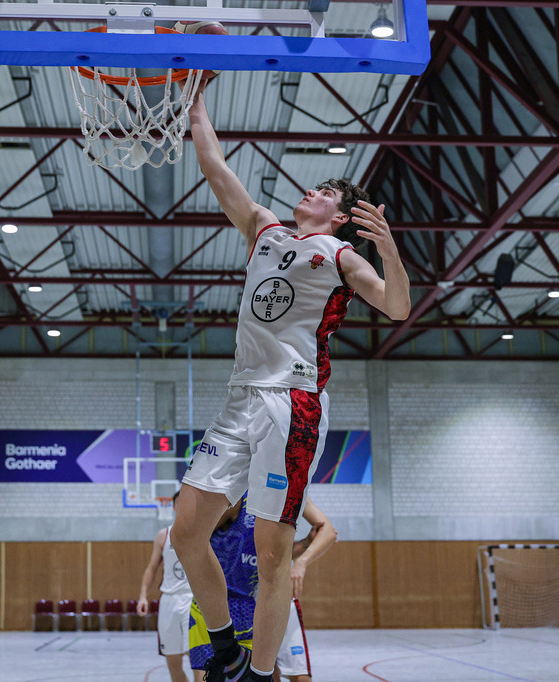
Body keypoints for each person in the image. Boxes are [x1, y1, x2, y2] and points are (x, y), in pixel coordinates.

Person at [170, 74, 411, 682]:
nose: (315, 189)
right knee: (184, 532)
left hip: (293, 405)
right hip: (240, 398)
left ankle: (260, 672)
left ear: (341, 218)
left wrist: (390, 250)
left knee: (272, 555)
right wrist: (195, 98)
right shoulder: (265, 230)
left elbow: (398, 307)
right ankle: (225, 646)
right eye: (319, 185)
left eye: (329, 190)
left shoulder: (340, 256)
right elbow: (212, 161)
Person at [187, 496, 324, 682]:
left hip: (247, 605)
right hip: (212, 603)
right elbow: (194, 534)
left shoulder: (272, 500)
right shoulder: (235, 498)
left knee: (257, 674)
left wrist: (307, 542)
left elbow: (277, 554)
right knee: (207, 676)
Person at [276, 500, 337, 682]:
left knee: (300, 676)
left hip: (280, 596)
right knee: (264, 673)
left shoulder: (292, 483)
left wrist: (302, 559)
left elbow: (328, 532)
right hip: (242, 598)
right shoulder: (235, 488)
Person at [137, 491, 192, 682]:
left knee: (197, 659)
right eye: (179, 502)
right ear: (174, 506)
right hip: (168, 601)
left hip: (193, 600)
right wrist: (143, 595)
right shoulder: (164, 535)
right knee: (173, 662)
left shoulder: (203, 533)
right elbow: (151, 568)